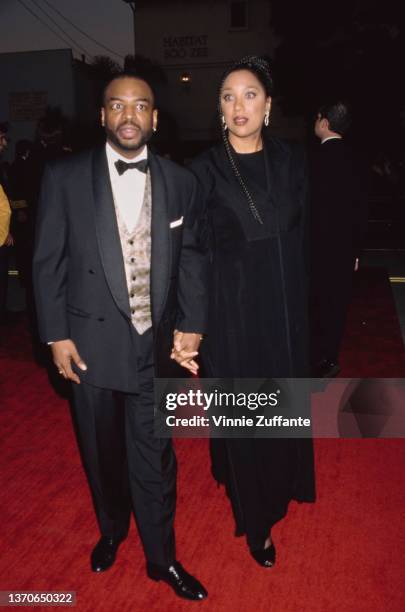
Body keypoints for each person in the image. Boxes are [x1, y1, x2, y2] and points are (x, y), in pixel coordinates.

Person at [33, 73, 208, 601]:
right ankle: (112, 530)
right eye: (117, 106)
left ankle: (163, 557)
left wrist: (193, 322)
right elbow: (47, 263)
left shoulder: (181, 183)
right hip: (88, 345)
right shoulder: (63, 176)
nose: (129, 115)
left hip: (152, 347)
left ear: (155, 118)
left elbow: (194, 256)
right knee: (101, 453)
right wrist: (56, 335)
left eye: (140, 107)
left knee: (156, 456)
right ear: (102, 116)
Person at [190, 56, 315, 567]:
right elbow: (191, 254)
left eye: (248, 94)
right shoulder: (201, 170)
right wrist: (192, 323)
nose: (238, 105)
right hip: (232, 314)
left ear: (267, 105)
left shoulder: (292, 160)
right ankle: (257, 521)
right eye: (227, 96)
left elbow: (305, 235)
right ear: (219, 109)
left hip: (285, 310)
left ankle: (277, 481)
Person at [310, 101, 368, 377]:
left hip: (315, 248)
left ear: (323, 123)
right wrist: (356, 251)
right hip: (344, 249)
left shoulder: (312, 160)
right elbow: (360, 208)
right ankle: (330, 358)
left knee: (315, 304)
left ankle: (314, 357)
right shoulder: (357, 160)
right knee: (338, 304)